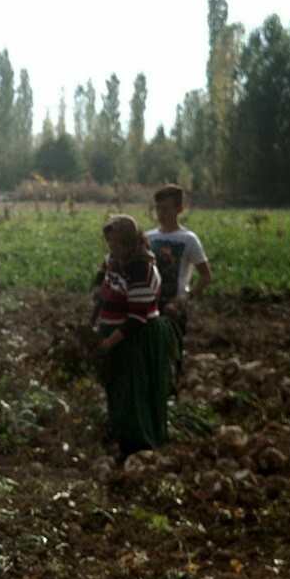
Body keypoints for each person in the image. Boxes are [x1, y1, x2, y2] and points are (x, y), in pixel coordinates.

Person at [93, 214, 174, 460]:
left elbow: (137, 318)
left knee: (133, 391)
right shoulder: (114, 261)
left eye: (117, 244)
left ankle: (139, 446)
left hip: (135, 339)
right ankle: (120, 435)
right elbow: (103, 292)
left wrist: (109, 342)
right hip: (115, 334)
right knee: (116, 388)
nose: (112, 249)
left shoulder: (141, 269)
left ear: (130, 243)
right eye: (110, 244)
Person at [146, 185, 212, 384]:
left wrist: (184, 298)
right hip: (149, 306)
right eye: (158, 208)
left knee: (172, 356)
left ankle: (172, 396)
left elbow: (206, 276)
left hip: (174, 307)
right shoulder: (149, 238)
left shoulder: (188, 239)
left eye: (166, 208)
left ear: (179, 209)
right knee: (150, 355)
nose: (161, 213)